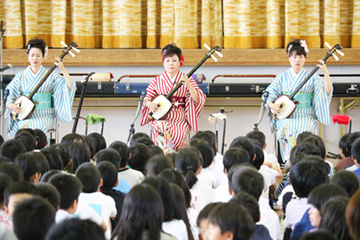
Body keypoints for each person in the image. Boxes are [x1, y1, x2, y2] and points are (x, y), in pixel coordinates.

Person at [266, 39, 332, 162]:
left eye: (300, 57)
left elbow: (326, 92)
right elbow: (268, 94)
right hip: (287, 117)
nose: (297, 60)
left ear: (304, 59)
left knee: (306, 129)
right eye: (294, 57)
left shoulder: (313, 77)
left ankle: (307, 161)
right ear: (289, 58)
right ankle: (290, 161)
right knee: (289, 129)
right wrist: (272, 105)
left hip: (306, 115)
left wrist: (325, 72)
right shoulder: (282, 77)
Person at [5, 37, 76, 140]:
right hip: (26, 116)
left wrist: (62, 69)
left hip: (45, 116)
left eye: (38, 55)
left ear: (43, 57)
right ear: (28, 56)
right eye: (32, 55)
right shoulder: (20, 76)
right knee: (25, 127)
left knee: (39, 127)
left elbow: (69, 86)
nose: (35, 58)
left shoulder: (51, 76)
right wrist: (11, 105)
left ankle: (42, 155)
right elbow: (10, 94)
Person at [140, 43, 206, 153]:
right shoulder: (156, 81)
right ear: (163, 63)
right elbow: (147, 99)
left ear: (180, 62)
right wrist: (150, 104)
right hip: (161, 119)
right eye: (167, 61)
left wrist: (189, 86)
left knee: (178, 135)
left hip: (180, 119)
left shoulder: (186, 79)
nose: (171, 63)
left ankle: (177, 163)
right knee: (160, 131)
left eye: (174, 60)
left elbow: (198, 100)